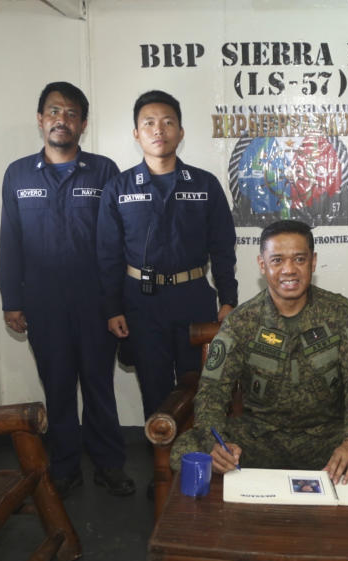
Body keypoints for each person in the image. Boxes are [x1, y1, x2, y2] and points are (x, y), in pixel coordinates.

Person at [171, 220, 348, 483]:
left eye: (299, 259)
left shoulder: (340, 313)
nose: (289, 270)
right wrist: (217, 444)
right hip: (259, 436)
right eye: (277, 260)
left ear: (313, 262)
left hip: (324, 436)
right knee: (185, 451)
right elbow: (213, 390)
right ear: (262, 265)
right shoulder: (242, 321)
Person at [0, 81, 133, 497]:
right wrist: (12, 301)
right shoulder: (18, 174)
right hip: (43, 304)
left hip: (95, 303)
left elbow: (117, 242)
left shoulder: (104, 170)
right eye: (54, 112)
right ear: (40, 120)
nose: (62, 119)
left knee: (98, 385)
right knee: (57, 387)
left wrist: (116, 302)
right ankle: (64, 466)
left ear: (83, 124)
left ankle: (110, 465)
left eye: (71, 113)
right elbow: (10, 240)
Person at [97, 90, 238, 426]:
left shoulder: (205, 185)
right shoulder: (119, 188)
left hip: (192, 299)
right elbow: (108, 256)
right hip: (141, 304)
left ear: (181, 131)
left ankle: (197, 466)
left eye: (167, 122)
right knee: (155, 388)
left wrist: (228, 299)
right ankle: (162, 471)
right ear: (136, 134)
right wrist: (112, 308)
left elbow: (222, 248)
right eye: (149, 123)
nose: (158, 130)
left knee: (199, 385)